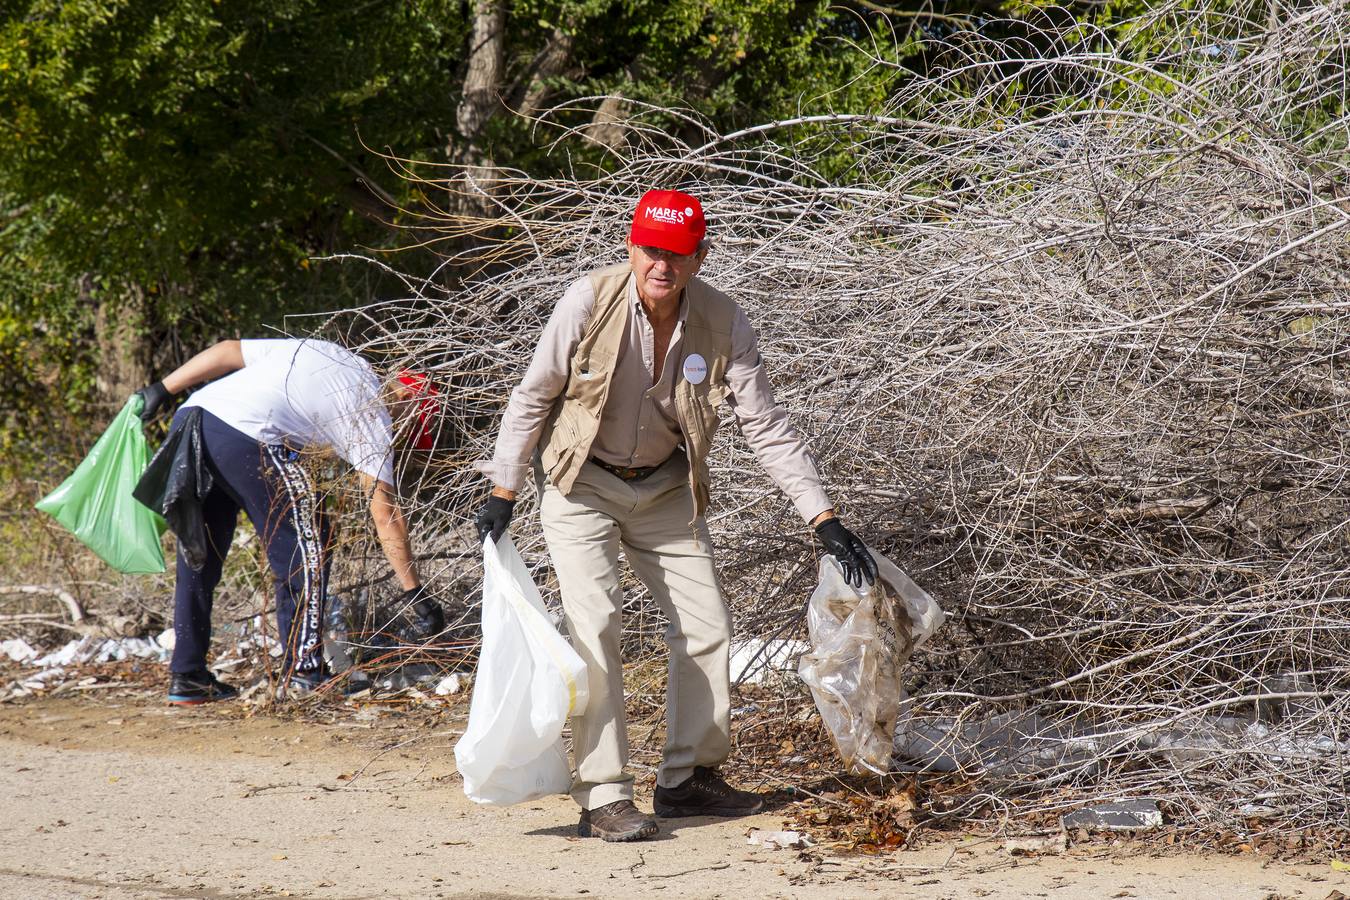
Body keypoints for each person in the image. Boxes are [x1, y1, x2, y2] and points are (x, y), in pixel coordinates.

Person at [473, 189, 878, 842]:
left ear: (699, 257)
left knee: (708, 625)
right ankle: (603, 794)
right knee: (597, 622)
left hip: (666, 490)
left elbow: (766, 427)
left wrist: (823, 519)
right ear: (633, 249)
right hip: (582, 484)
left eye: (678, 253)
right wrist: (503, 490)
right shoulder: (589, 300)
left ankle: (687, 782)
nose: (662, 264)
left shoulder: (723, 321)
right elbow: (533, 395)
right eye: (651, 250)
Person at [134, 338, 444, 704]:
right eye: (411, 429)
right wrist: (415, 592)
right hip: (248, 435)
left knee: (200, 551)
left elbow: (229, 350)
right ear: (407, 404)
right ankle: (305, 672)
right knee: (309, 546)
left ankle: (187, 675)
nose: (403, 437)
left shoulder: (334, 354)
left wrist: (161, 389)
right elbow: (384, 512)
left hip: (193, 416)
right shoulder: (373, 413)